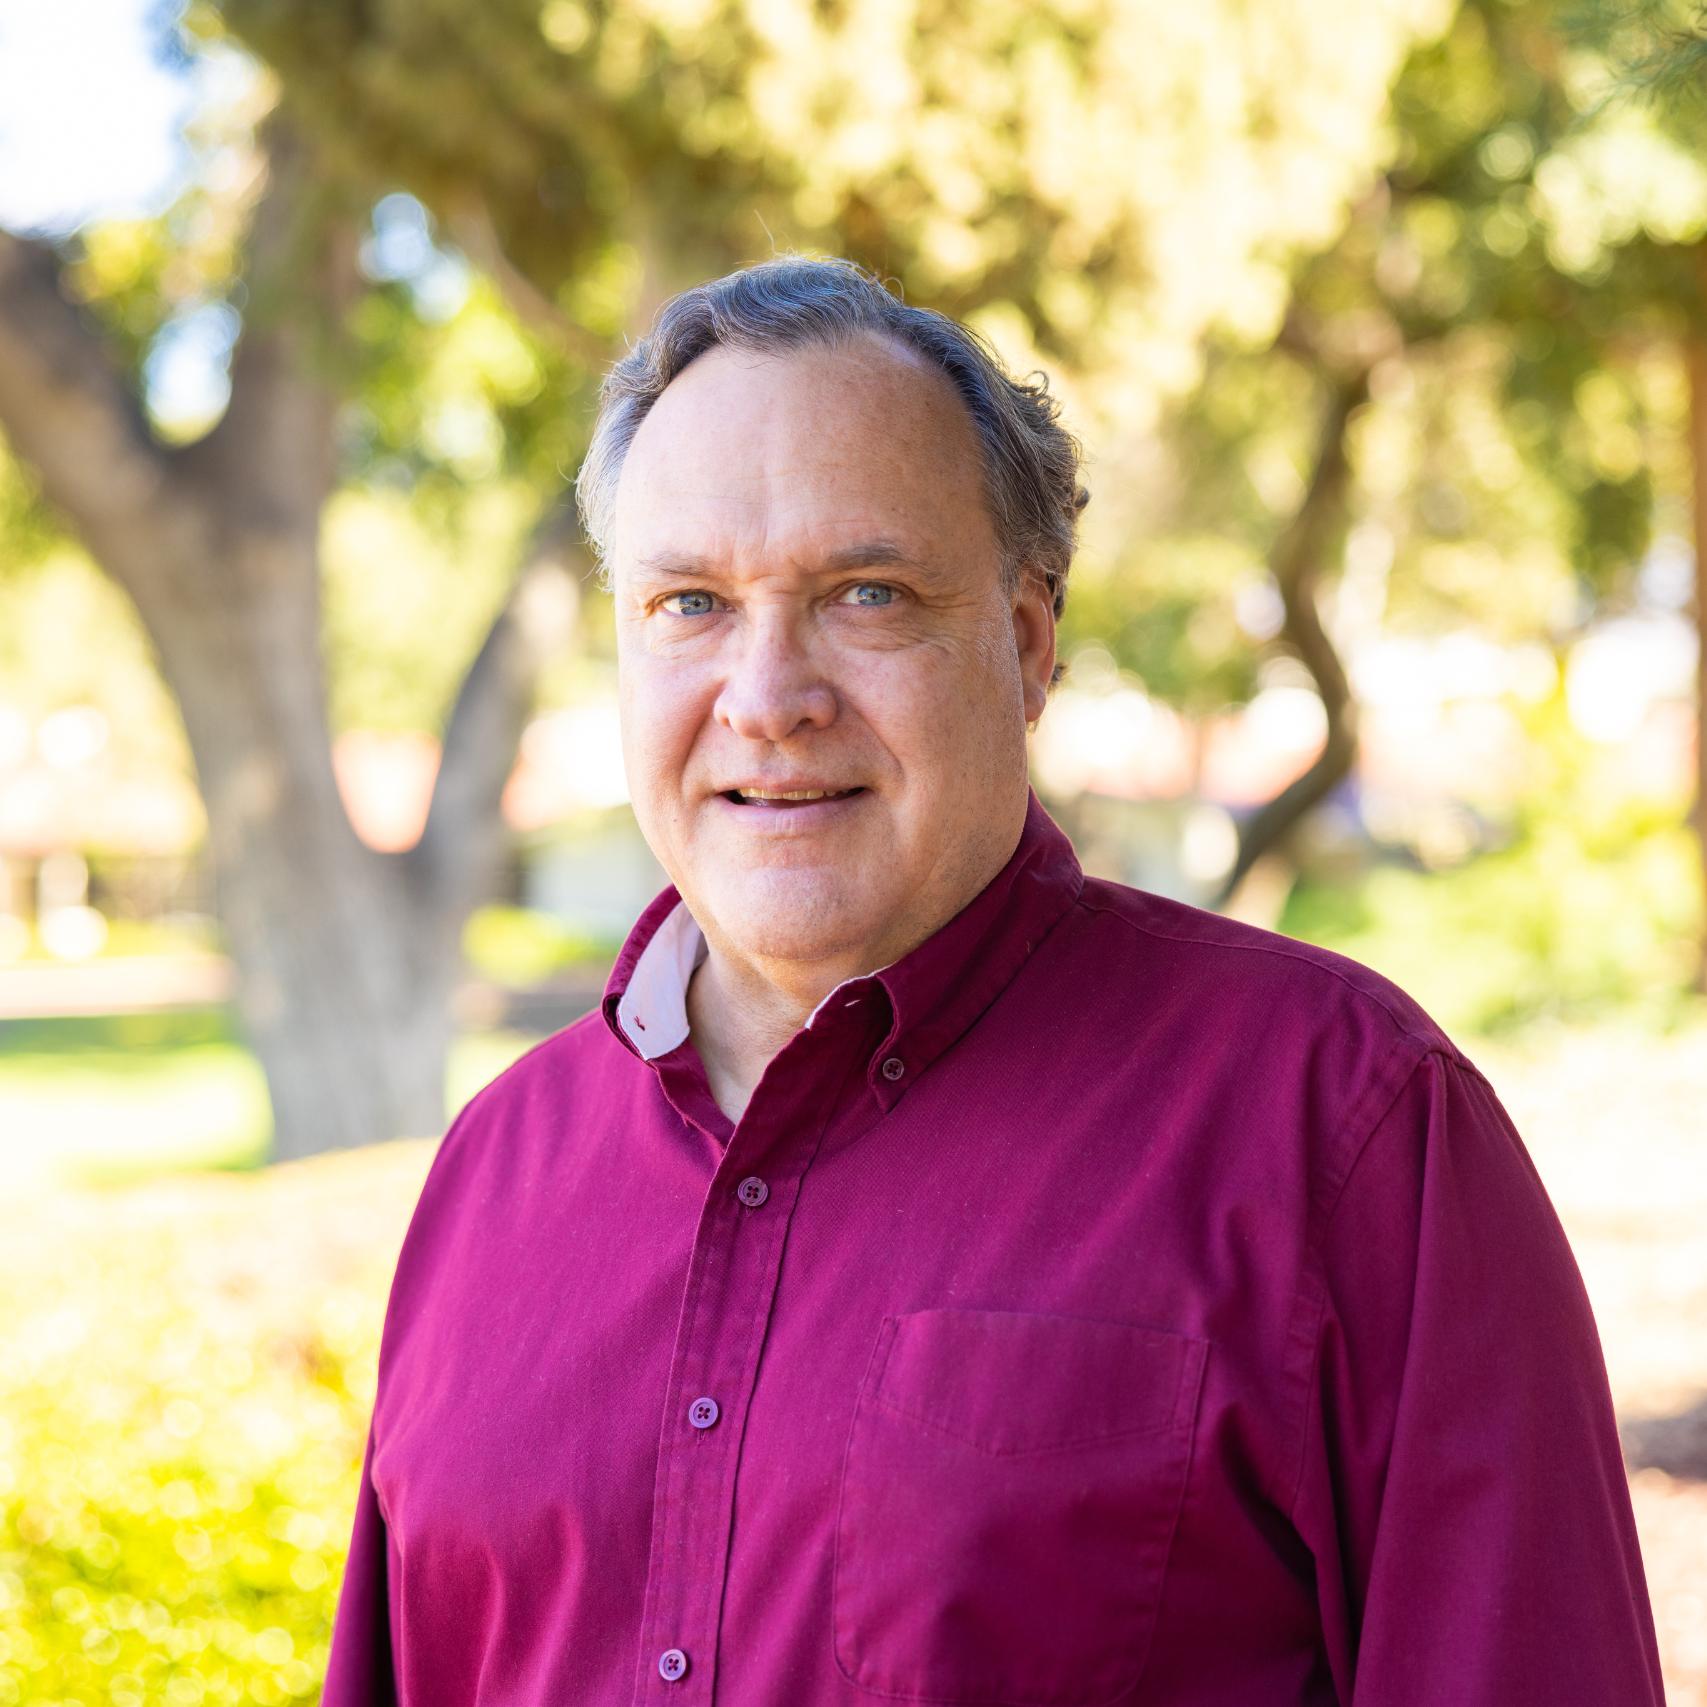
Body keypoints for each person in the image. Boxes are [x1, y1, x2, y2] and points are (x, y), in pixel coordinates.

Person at [322, 253, 1664, 1705]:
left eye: (868, 593)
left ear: (1026, 646)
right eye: (690, 603)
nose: (767, 699)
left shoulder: (1346, 1128)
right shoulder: (492, 1173)